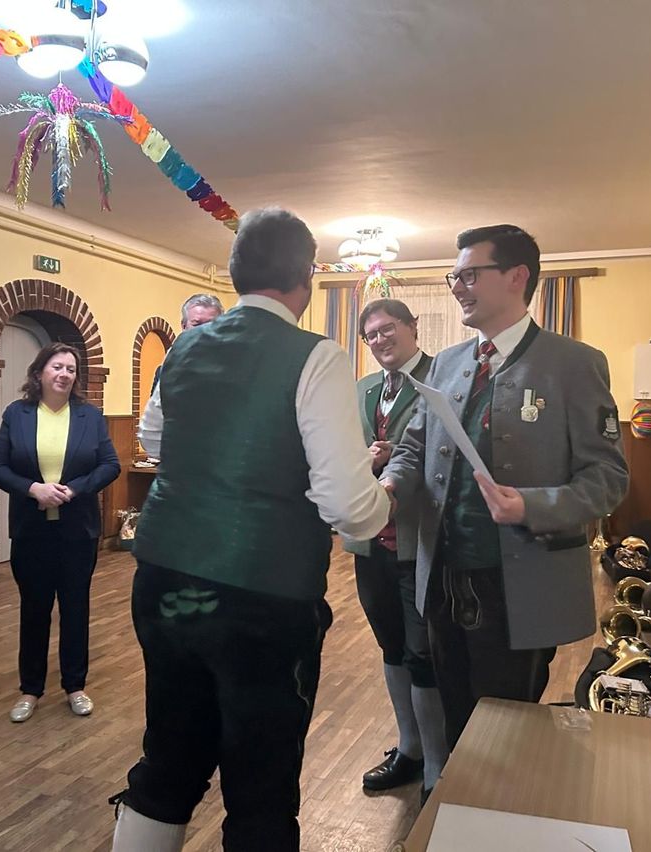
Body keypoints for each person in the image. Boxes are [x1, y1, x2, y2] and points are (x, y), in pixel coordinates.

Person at [112, 208, 391, 852]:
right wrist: (385, 506)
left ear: (237, 274)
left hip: (165, 582)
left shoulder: (184, 346)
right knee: (261, 786)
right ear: (307, 279)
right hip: (260, 598)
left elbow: (155, 438)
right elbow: (348, 504)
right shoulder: (315, 356)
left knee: (168, 759)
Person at [382, 225, 629, 749]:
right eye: (454, 276)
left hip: (520, 584)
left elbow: (608, 479)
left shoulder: (575, 364)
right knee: (454, 714)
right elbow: (412, 448)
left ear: (517, 276)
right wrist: (389, 486)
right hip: (442, 576)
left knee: (509, 727)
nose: (457, 286)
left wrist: (532, 505)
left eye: (469, 274)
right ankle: (449, 808)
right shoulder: (447, 363)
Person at [343, 298, 447, 799]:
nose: (380, 341)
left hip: (419, 539)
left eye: (388, 330)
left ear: (412, 328)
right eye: (370, 336)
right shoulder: (362, 389)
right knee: (390, 645)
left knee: (422, 651)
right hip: (371, 541)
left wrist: (396, 460)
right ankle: (409, 749)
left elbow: (451, 456)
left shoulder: (441, 377)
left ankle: (438, 764)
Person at [0, 342, 120, 723]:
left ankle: (75, 686)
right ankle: (30, 690)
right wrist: (34, 489)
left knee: (76, 609)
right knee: (34, 610)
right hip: (31, 532)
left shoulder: (89, 417)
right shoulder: (18, 413)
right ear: (39, 372)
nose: (64, 374)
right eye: (57, 367)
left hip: (78, 530)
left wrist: (73, 489)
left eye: (71, 369)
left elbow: (110, 465)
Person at [138, 294, 224, 457]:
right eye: (197, 324)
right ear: (184, 326)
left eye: (211, 324)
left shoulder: (239, 365)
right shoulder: (167, 369)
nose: (204, 331)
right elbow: (150, 432)